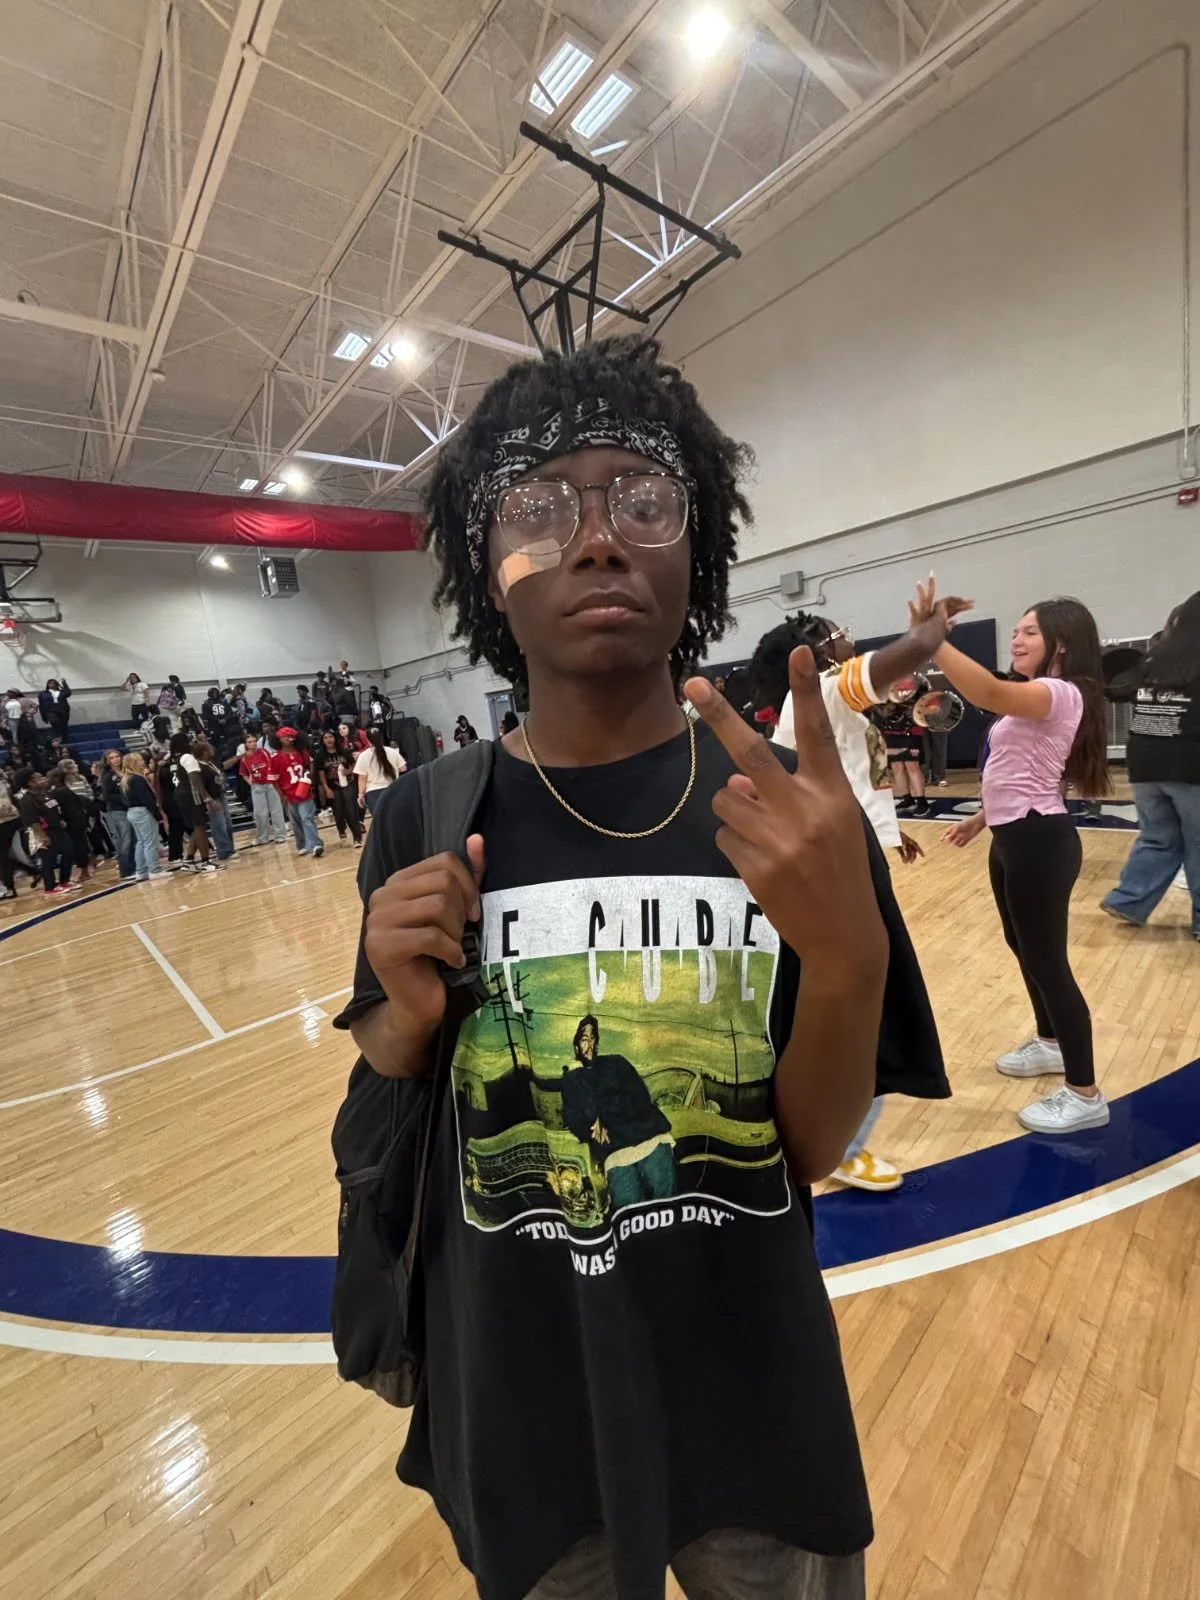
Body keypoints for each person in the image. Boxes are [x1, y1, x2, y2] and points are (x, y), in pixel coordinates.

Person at [334, 335, 942, 1599]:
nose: (598, 539)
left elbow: (804, 1149)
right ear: (487, 569)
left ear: (696, 546)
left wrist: (847, 958)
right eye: (541, 511)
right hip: (525, 1397)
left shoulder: (790, 812)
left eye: (643, 501)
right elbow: (388, 1066)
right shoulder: (426, 814)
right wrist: (404, 1018)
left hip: (754, 1385)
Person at [749, 609, 951, 1193]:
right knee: (866, 1005)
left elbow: (854, 779)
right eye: (834, 633)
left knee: (849, 1000)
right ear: (811, 654)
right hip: (836, 867)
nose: (846, 637)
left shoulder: (816, 703)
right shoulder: (824, 688)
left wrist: (891, 832)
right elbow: (887, 666)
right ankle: (841, 1143)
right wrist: (928, 635)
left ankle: (811, 1126)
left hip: (843, 856)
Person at [926, 579, 1111, 1133]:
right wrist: (982, 818)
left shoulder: (1060, 692)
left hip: (1039, 843)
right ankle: (1050, 1041)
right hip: (1011, 837)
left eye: (1030, 631)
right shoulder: (1040, 694)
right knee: (1022, 946)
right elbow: (1022, 769)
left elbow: (986, 691)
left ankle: (1084, 1093)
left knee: (1049, 963)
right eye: (1016, 630)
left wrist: (931, 641)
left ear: (1061, 642)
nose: (1017, 638)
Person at [1099, 594, 1200, 940]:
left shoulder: (1154, 657)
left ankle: (1129, 900)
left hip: (1144, 765)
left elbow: (1116, 690)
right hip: (1190, 766)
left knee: (1158, 838)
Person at [15, 769, 76, 896]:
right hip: (44, 831)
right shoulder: (27, 800)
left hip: (57, 828)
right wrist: (42, 836)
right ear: (30, 783)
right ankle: (50, 887)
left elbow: (53, 810)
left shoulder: (45, 793)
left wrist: (60, 820)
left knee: (68, 851)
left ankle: (64, 880)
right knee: (48, 860)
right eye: (40, 778)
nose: (44, 780)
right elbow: (32, 821)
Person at [873, 676, 929, 816]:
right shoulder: (886, 682)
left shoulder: (918, 681)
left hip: (911, 730)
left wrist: (918, 712)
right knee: (896, 766)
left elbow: (929, 703)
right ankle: (907, 799)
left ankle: (922, 801)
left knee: (912, 766)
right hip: (890, 730)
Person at [160, 732, 213, 873]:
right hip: (191, 793)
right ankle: (205, 862)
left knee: (196, 827)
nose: (192, 743)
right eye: (189, 741)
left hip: (178, 794)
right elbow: (195, 778)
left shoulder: (172, 759)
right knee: (199, 826)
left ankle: (189, 860)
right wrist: (206, 797)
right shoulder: (188, 757)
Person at [272, 727, 324, 857]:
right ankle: (302, 844)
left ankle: (315, 844)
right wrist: (281, 795)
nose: (288, 739)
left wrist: (309, 777)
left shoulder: (302, 752)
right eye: (284, 736)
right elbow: (274, 780)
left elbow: (311, 765)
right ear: (279, 739)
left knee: (306, 818)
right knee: (295, 821)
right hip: (288, 793)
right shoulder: (275, 757)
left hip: (304, 790)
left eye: (290, 736)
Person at [119, 754, 168, 881]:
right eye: (140, 760)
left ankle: (141, 871)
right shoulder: (137, 779)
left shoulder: (125, 779)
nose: (143, 762)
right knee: (150, 842)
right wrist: (157, 814)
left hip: (132, 811)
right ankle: (154, 870)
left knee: (141, 842)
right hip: (142, 811)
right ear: (133, 763)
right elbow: (146, 798)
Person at [313, 728, 362, 847]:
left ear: (335, 738)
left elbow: (354, 764)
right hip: (333, 786)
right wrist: (326, 789)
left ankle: (357, 838)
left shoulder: (344, 751)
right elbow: (321, 774)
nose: (328, 739)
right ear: (322, 740)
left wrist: (349, 771)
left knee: (351, 811)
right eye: (326, 738)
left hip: (348, 784)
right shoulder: (320, 756)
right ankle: (341, 829)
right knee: (338, 812)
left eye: (330, 737)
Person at [239, 731, 287, 845]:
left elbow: (272, 765)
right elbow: (244, 773)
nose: (253, 743)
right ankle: (262, 837)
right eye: (250, 742)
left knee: (276, 810)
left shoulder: (264, 752)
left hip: (269, 783)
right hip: (257, 786)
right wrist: (250, 783)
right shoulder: (244, 758)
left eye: (254, 741)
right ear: (245, 744)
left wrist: (273, 780)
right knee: (260, 813)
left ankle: (280, 835)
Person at [193, 738, 236, 862]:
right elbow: (200, 786)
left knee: (227, 823)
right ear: (204, 752)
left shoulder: (212, 763)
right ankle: (224, 851)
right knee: (219, 825)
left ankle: (230, 848)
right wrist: (209, 800)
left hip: (221, 794)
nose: (213, 750)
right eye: (209, 749)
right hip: (213, 798)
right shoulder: (200, 767)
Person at [99, 748, 137, 881]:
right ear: (107, 761)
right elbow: (107, 796)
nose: (116, 759)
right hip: (117, 811)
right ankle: (125, 870)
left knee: (133, 839)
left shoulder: (125, 771)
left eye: (117, 756)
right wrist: (124, 798)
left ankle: (134, 867)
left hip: (129, 809)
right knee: (125, 839)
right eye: (112, 758)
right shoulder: (108, 776)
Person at [353, 725, 405, 815]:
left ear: (367, 739)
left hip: (374, 793)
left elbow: (362, 778)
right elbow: (403, 768)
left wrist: (361, 795)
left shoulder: (364, 755)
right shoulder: (392, 751)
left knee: (381, 819)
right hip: (394, 788)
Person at [0, 770, 20, 899]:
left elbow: (4, 807)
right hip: (7, 820)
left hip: (5, 822)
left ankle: (8, 888)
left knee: (3, 857)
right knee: (5, 856)